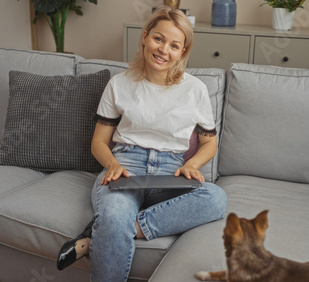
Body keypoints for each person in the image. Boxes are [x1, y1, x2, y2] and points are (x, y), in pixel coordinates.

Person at [56, 6, 227, 281]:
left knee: (216, 198)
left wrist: (192, 164)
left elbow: (209, 143)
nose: (163, 50)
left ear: (183, 52)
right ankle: (113, 225)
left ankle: (96, 237)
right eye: (158, 39)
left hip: (170, 173)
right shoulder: (119, 84)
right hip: (125, 167)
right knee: (113, 215)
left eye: (174, 45)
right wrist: (111, 164)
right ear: (145, 36)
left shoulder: (195, 89)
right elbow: (99, 141)